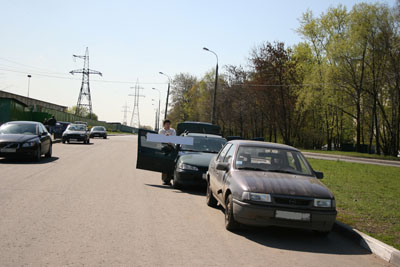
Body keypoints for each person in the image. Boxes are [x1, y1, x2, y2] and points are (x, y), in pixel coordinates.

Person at [158, 119, 176, 185]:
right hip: (164, 148)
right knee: (165, 164)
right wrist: (167, 138)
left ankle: (169, 180)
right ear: (164, 125)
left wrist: (169, 137)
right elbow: (161, 139)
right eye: (166, 124)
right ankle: (165, 180)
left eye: (169, 124)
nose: (168, 126)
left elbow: (174, 138)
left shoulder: (173, 130)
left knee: (171, 164)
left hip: (171, 148)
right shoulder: (161, 131)